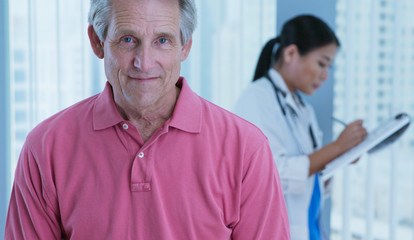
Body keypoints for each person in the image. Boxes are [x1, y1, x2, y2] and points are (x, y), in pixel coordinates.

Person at [4, 0, 291, 239]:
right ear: (97, 42)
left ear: (185, 46)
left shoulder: (246, 149)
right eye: (128, 40)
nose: (144, 62)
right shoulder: (45, 147)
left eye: (162, 41)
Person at [233, 15, 368, 240]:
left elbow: (310, 176)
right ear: (291, 54)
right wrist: (336, 147)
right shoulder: (256, 98)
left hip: (309, 229)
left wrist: (342, 155)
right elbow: (272, 175)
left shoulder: (303, 110)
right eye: (321, 63)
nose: (325, 75)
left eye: (329, 67)